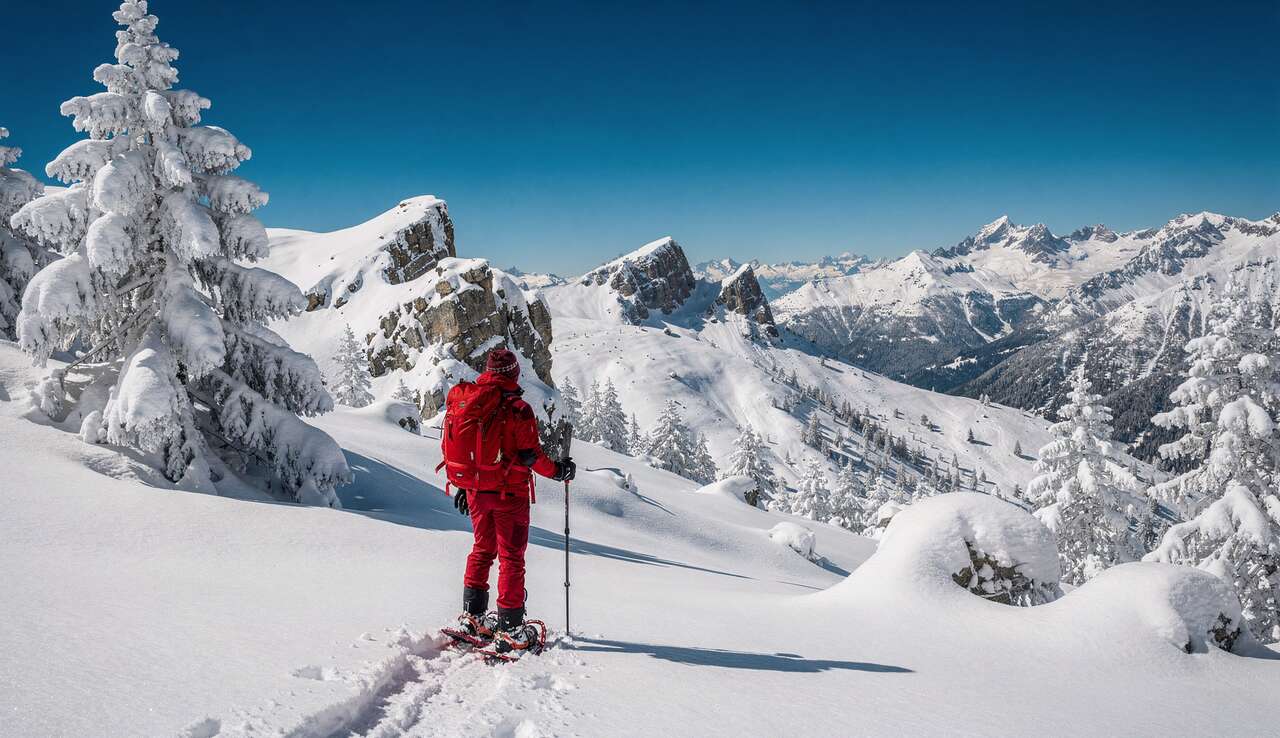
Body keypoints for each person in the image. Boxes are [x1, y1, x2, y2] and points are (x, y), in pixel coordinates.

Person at [442, 348, 575, 653]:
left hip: (475, 492)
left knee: (482, 550)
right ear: (514, 373)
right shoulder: (518, 409)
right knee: (511, 558)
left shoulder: (470, 401)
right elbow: (531, 456)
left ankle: (472, 617)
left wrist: (466, 484)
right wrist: (559, 471)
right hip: (509, 495)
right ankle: (511, 628)